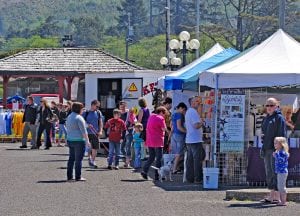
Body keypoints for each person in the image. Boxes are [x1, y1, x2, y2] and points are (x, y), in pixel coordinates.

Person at [261, 98, 286, 203]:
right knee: (269, 172)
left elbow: (282, 135)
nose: (269, 107)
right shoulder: (267, 118)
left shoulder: (279, 118)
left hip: (274, 149)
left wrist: (279, 149)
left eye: (271, 105)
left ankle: (274, 195)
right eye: (267, 105)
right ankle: (273, 195)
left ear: (276, 106)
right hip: (266, 148)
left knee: (275, 172)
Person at [66, 102, 91, 181]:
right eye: (82, 108)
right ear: (79, 109)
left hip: (70, 139)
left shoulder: (69, 116)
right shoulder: (79, 118)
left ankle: (69, 176)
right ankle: (78, 176)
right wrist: (87, 141)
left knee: (71, 159)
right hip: (79, 141)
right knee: (78, 160)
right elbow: (84, 131)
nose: (83, 110)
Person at [141, 106, 167, 180]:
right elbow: (163, 128)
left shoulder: (151, 117)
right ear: (161, 112)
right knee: (159, 158)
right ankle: (157, 175)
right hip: (158, 140)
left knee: (151, 157)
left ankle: (144, 171)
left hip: (150, 140)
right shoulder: (161, 118)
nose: (164, 115)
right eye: (164, 113)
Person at [185, 97, 203, 184]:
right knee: (197, 160)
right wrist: (202, 122)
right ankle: (198, 178)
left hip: (190, 139)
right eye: (196, 101)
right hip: (195, 139)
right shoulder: (193, 112)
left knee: (190, 160)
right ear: (192, 103)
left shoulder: (189, 112)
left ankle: (190, 178)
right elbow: (196, 126)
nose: (198, 103)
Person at [83, 100, 103, 169]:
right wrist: (87, 125)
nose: (98, 108)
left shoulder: (98, 112)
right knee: (89, 147)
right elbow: (82, 122)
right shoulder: (86, 113)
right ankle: (89, 159)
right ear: (92, 105)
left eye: (98, 106)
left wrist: (100, 131)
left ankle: (93, 161)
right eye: (97, 106)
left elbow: (100, 123)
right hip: (87, 133)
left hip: (95, 133)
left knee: (95, 148)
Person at [170, 102, 187, 174]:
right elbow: (179, 127)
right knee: (179, 153)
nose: (184, 112)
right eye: (184, 110)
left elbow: (172, 126)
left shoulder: (173, 115)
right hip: (180, 135)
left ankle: (175, 168)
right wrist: (187, 132)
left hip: (174, 135)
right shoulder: (179, 115)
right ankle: (174, 169)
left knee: (176, 152)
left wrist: (170, 135)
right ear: (181, 108)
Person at [273, 137, 289, 206]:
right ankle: (281, 201)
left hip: (282, 172)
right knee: (280, 187)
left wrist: (276, 156)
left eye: (276, 143)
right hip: (280, 172)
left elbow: (282, 160)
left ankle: (283, 202)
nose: (274, 144)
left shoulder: (282, 152)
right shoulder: (279, 151)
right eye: (274, 143)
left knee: (281, 187)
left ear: (281, 144)